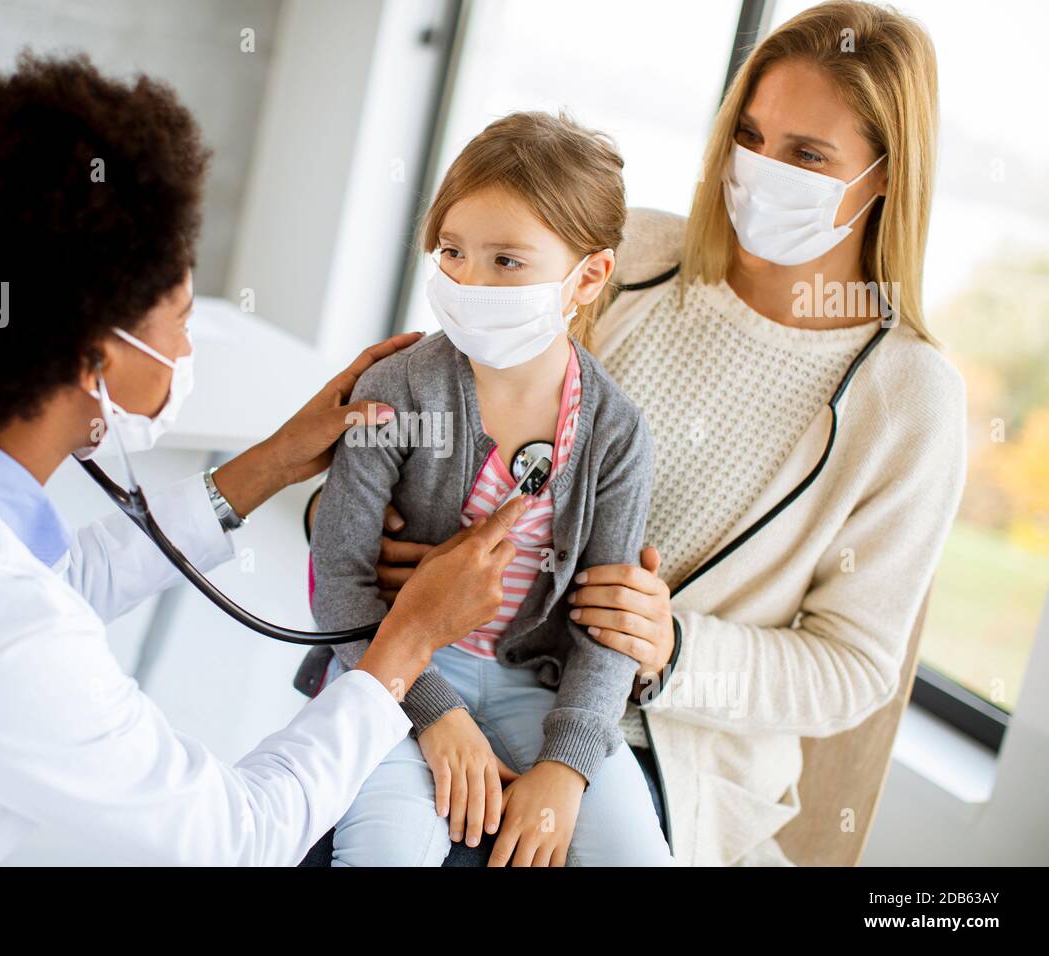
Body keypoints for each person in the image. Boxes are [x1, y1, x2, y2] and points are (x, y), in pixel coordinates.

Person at [0, 53, 529, 866]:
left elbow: (49, 592)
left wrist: (265, 466)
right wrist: (406, 642)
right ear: (95, 360)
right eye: (180, 318)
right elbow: (240, 835)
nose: (189, 346)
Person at [303, 0, 966, 866]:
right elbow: (429, 426)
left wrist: (674, 647)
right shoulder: (633, 255)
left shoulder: (910, 396)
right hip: (433, 657)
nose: (761, 172)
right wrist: (378, 542)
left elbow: (852, 670)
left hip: (653, 739)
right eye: (752, 136)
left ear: (885, 175)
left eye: (807, 156)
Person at [308, 112, 673, 867]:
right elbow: (338, 582)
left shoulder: (616, 433)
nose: (468, 280)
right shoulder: (395, 391)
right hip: (394, 671)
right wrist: (434, 715)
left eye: (507, 261)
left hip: (534, 690)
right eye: (452, 251)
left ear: (590, 276)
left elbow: (605, 629)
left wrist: (567, 769)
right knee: (383, 853)